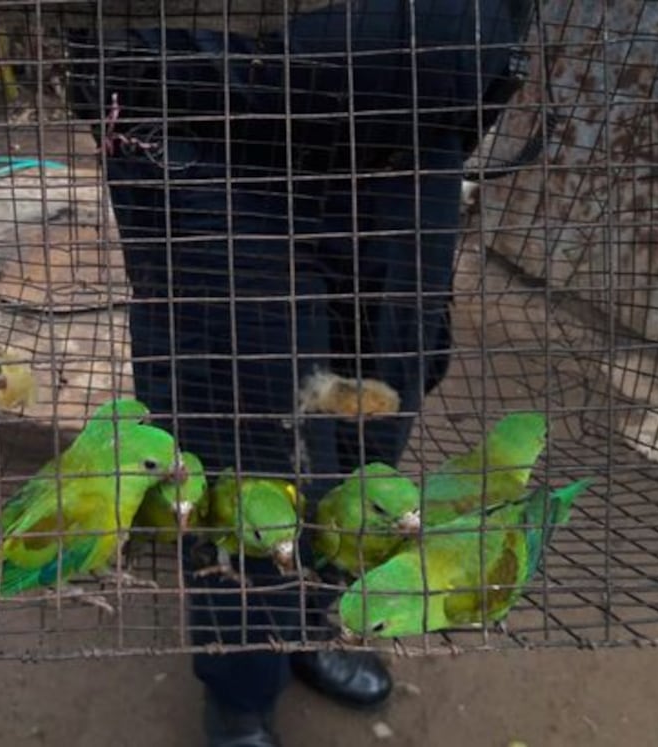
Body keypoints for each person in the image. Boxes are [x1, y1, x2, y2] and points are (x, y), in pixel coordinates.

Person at [65, 1, 533, 745]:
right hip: (210, 124)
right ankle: (242, 687)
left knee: (376, 406)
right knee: (243, 440)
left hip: (412, 135)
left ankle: (317, 615)